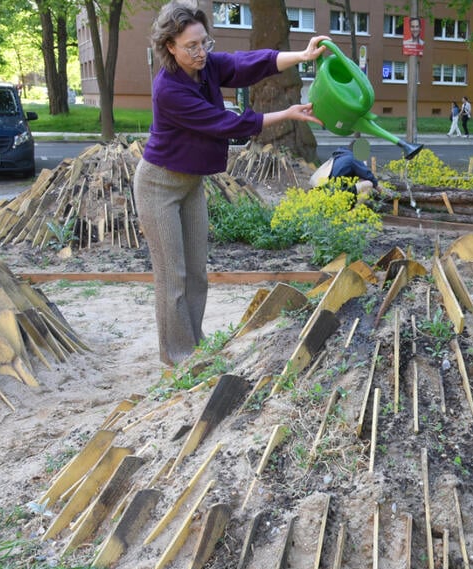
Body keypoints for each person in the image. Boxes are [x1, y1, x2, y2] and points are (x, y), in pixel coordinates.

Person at [133, 0, 328, 366]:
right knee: (172, 277)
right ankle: (178, 357)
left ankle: (195, 344)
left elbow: (244, 64)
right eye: (191, 46)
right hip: (158, 185)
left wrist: (300, 56)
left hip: (190, 182)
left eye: (204, 42)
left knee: (197, 273)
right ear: (169, 47)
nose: (201, 51)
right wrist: (285, 113)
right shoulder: (169, 89)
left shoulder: (204, 67)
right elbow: (224, 123)